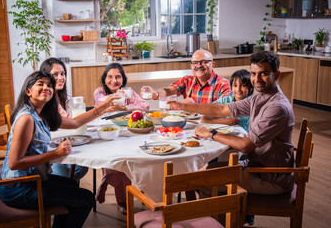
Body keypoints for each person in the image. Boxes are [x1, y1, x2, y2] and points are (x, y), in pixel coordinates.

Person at [168, 52, 295, 224]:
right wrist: (184, 105)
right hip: (258, 166)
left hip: (271, 178)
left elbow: (245, 145)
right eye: (253, 73)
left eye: (263, 73)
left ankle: (216, 224)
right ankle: (221, 222)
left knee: (206, 181)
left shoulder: (276, 107)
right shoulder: (261, 97)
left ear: (276, 75)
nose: (256, 79)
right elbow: (221, 109)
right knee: (210, 172)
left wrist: (211, 133)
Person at [0, 71, 119, 228]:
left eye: (49, 85)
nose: (46, 88)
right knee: (86, 199)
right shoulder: (26, 119)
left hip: (31, 180)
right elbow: (14, 163)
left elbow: (75, 123)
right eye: (40, 84)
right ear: (28, 91)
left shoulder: (41, 114)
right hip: (17, 187)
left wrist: (103, 107)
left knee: (72, 185)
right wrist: (54, 154)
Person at [93, 62, 149, 214]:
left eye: (118, 77)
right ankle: (121, 199)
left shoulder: (128, 91)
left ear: (123, 79)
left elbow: (145, 105)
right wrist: (119, 102)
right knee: (118, 160)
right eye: (110, 77)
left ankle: (107, 184)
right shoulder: (99, 93)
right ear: (104, 79)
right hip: (107, 133)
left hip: (128, 133)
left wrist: (126, 107)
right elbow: (102, 105)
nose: (114, 80)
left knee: (129, 159)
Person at [40, 57, 88, 181]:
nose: (61, 78)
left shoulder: (57, 95)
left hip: (57, 140)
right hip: (46, 149)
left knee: (81, 166)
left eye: (63, 74)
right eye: (55, 74)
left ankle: (68, 190)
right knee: (76, 169)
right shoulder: (47, 99)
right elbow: (69, 120)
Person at [142, 49, 230, 104]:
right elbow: (169, 91)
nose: (199, 66)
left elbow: (223, 111)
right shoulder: (187, 80)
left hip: (213, 126)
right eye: (195, 63)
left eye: (204, 62)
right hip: (190, 125)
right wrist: (156, 93)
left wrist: (194, 107)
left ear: (213, 65)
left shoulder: (223, 84)